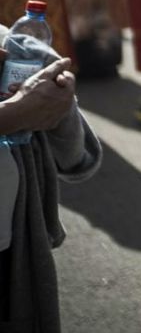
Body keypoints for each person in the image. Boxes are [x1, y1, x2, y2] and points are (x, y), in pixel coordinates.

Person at [0, 40, 101, 332]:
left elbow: (75, 158)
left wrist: (55, 101)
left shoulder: (14, 45)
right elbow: (77, 159)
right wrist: (14, 113)